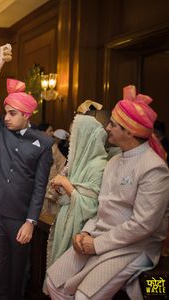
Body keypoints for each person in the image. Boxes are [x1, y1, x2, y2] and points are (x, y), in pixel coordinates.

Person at [46, 85, 169, 300]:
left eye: (113, 124)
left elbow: (143, 225)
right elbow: (101, 208)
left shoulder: (153, 168)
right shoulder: (113, 161)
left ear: (129, 131)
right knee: (54, 282)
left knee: (84, 296)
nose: (107, 128)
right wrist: (85, 233)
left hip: (135, 247)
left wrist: (97, 244)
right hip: (98, 236)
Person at [0, 43, 54, 299]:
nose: (6, 117)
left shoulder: (44, 143)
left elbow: (40, 185)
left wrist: (31, 222)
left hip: (20, 218)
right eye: (6, 112)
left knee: (17, 274)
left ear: (27, 115)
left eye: (12, 113)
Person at [46, 114, 108, 270]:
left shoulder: (99, 165)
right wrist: (62, 189)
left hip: (80, 233)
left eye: (75, 135)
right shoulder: (81, 163)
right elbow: (76, 192)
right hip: (65, 222)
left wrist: (66, 184)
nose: (71, 141)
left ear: (85, 138)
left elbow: (91, 207)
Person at [37, 123, 66, 215]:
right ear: (42, 132)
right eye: (50, 131)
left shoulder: (53, 147)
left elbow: (60, 167)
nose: (53, 133)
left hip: (49, 186)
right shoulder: (36, 145)